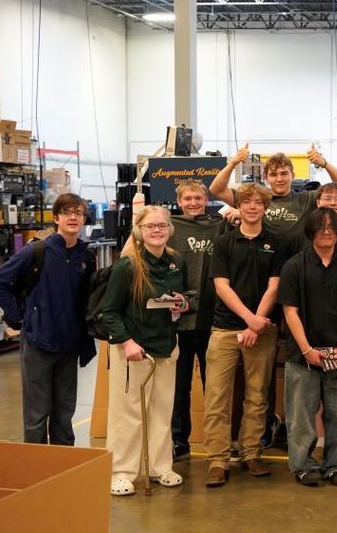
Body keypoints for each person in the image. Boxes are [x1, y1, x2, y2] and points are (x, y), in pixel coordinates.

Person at [0, 193, 96, 446]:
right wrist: (20, 318)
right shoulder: (37, 251)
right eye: (67, 212)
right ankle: (35, 469)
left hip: (69, 345)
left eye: (78, 213)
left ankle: (63, 467)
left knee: (64, 413)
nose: (73, 217)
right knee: (37, 415)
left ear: (84, 219)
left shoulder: (86, 257)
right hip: (38, 342)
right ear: (56, 217)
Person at [100, 206, 190, 496]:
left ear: (169, 229)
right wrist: (127, 342)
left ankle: (160, 466)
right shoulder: (127, 266)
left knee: (162, 411)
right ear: (140, 229)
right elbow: (109, 312)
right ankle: (121, 472)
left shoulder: (176, 262)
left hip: (166, 346)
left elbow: (185, 298)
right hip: (134, 351)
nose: (157, 230)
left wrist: (182, 304)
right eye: (151, 226)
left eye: (162, 225)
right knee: (128, 414)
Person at [202, 183, 286, 488]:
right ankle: (218, 459)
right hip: (225, 328)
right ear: (239, 205)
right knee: (216, 396)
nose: (252, 207)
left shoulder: (276, 241)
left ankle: (251, 452)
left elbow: (275, 286)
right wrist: (247, 319)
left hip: (262, 328)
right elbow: (221, 286)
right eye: (246, 202)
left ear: (265, 207)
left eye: (258, 202)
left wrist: (256, 323)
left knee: (257, 395)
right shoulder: (224, 242)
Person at [280, 208, 337, 487]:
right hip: (303, 356)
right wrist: (307, 350)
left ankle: (336, 465)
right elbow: (290, 311)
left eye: (331, 227)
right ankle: (304, 466)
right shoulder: (294, 266)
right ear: (310, 231)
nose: (326, 231)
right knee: (301, 416)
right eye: (320, 227)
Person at [169, 180, 228, 460]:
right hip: (177, 322)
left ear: (206, 200)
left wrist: (233, 213)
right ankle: (179, 440)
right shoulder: (167, 228)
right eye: (188, 198)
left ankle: (218, 442)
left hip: (212, 319)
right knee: (179, 388)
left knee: (214, 386)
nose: (193, 203)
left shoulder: (220, 225)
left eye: (198, 198)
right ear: (179, 201)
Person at [209, 146, 337, 244]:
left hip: (298, 264)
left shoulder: (307, 199)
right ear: (266, 178)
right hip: (265, 261)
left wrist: (324, 164)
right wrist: (233, 162)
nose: (279, 179)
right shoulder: (256, 200)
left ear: (293, 176)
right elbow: (216, 189)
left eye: (284, 174)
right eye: (273, 174)